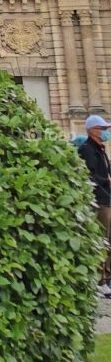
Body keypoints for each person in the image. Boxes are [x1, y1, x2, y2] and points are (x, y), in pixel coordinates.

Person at [78, 114, 111, 298]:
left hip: (107, 199)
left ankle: (107, 278)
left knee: (108, 240)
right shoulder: (87, 149)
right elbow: (88, 176)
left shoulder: (100, 149)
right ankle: (100, 281)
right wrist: (107, 181)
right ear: (92, 131)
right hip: (99, 200)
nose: (106, 132)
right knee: (102, 240)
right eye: (102, 129)